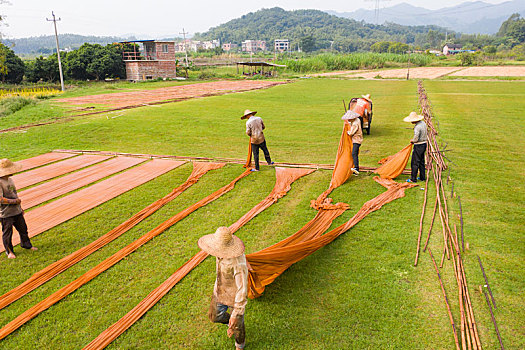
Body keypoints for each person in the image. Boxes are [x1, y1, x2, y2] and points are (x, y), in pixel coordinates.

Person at [198, 226, 248, 350]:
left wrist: (235, 314)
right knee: (214, 316)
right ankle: (229, 322)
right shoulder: (220, 253)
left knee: (237, 325)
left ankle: (239, 345)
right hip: (220, 291)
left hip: (234, 297)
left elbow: (242, 290)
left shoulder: (238, 264)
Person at [0, 158, 37, 259]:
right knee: (7, 233)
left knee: (23, 229)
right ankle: (9, 251)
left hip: (17, 211)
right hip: (6, 214)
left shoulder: (10, 180)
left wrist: (20, 207)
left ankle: (26, 244)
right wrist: (14, 202)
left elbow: (14, 194)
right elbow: (0, 199)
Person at [403, 112, 428, 183]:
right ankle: (422, 177)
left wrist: (412, 141)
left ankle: (413, 179)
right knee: (421, 161)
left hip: (419, 146)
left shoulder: (417, 127)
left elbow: (416, 138)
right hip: (424, 144)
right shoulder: (423, 123)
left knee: (415, 162)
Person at [341, 110, 363, 176]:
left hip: (357, 140)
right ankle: (355, 168)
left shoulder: (355, 124)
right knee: (354, 153)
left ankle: (356, 168)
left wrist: (347, 132)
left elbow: (351, 133)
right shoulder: (357, 120)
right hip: (358, 139)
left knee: (354, 153)